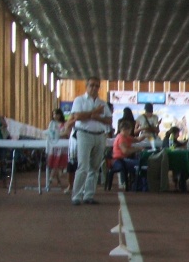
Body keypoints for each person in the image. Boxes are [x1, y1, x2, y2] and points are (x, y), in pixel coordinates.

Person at [70, 77, 112, 205]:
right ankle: (76, 196)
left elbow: (109, 120)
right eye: (91, 85)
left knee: (95, 167)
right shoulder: (79, 100)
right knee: (83, 166)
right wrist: (94, 112)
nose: (94, 88)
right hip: (84, 134)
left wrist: (95, 117)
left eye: (97, 86)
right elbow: (77, 116)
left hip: (100, 135)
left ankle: (89, 195)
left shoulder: (102, 103)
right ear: (86, 86)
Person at [107, 120, 140, 190]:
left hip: (121, 160)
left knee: (136, 162)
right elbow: (125, 151)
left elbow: (137, 140)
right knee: (139, 163)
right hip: (119, 160)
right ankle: (136, 184)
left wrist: (145, 135)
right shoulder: (121, 138)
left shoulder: (124, 137)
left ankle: (134, 183)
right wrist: (137, 149)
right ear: (125, 130)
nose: (130, 132)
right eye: (130, 130)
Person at [45, 108, 68, 188]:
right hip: (54, 144)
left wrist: (59, 134)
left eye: (57, 114)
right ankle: (57, 180)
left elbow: (66, 133)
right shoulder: (52, 123)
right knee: (55, 162)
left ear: (60, 115)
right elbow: (49, 132)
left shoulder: (64, 123)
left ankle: (51, 178)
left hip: (62, 145)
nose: (55, 116)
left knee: (58, 162)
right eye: (54, 114)